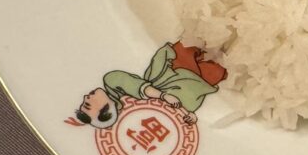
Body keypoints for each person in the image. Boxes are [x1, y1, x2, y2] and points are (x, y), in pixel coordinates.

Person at [74, 41, 227, 128]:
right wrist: (190, 118)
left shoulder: (111, 80)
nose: (87, 97)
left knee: (202, 40)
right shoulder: (131, 120)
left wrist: (163, 95)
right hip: (195, 88)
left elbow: (138, 85)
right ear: (105, 113)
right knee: (225, 65)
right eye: (88, 105)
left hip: (173, 65)